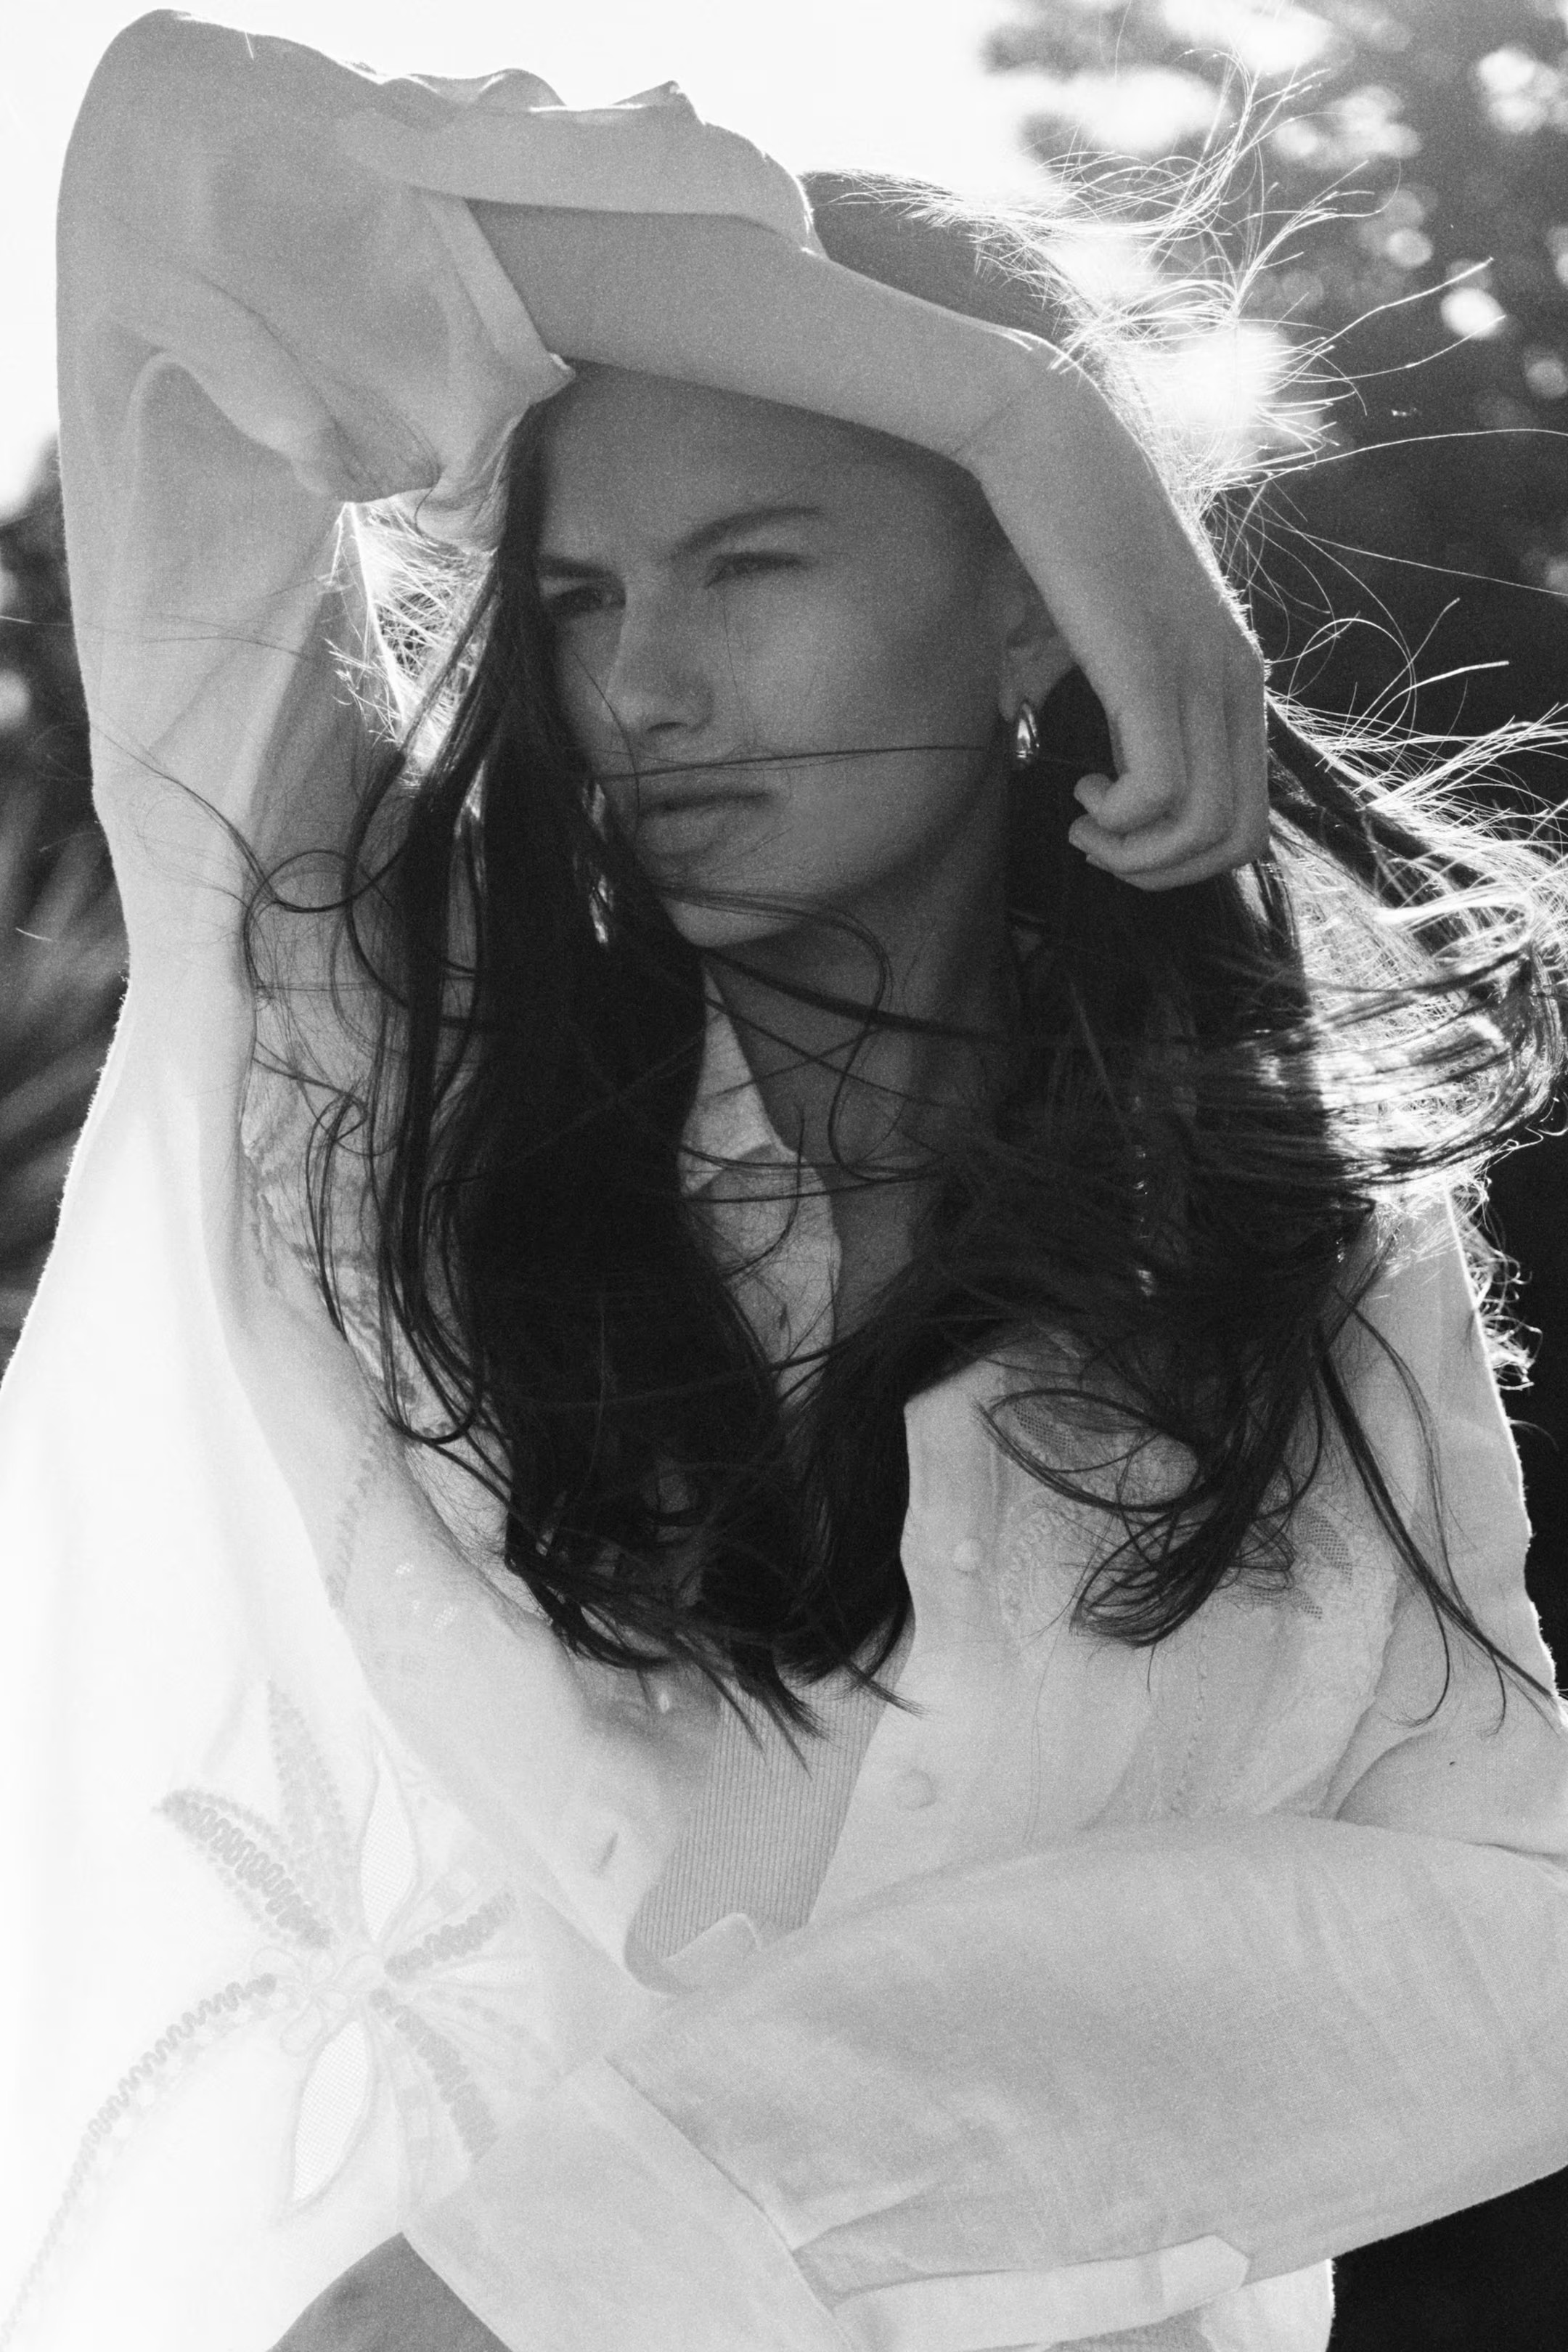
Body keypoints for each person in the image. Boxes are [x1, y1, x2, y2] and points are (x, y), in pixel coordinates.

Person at [1, 11, 1566, 2351]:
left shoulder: (1281, 1250)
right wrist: (1014, 413)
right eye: (578, 601)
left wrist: (642, 2218)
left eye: (747, 565)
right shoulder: (373, 1062)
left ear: (1025, 606)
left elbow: (1519, 1928)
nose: (643, 688)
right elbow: (170, 175)